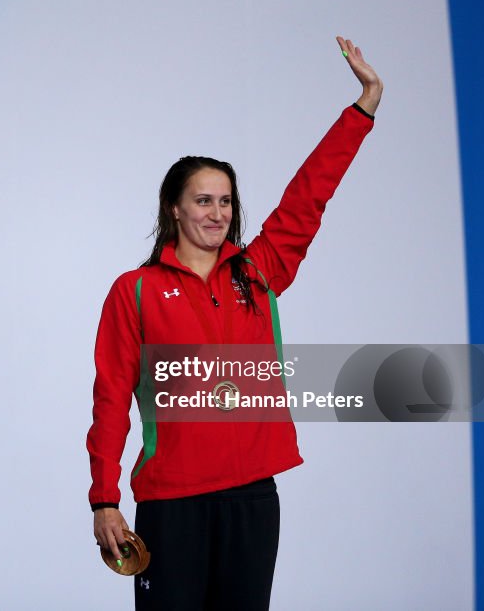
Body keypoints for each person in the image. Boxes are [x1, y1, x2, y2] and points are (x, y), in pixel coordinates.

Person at [87, 37, 382, 610]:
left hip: (252, 498)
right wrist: (104, 497)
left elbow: (307, 198)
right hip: (171, 504)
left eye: (225, 202)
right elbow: (110, 397)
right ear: (174, 207)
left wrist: (364, 106)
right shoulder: (136, 290)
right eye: (202, 201)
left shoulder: (259, 271)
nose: (216, 213)